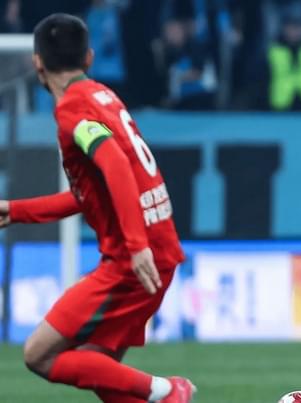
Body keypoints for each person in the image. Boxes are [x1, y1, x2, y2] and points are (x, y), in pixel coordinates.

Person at [0, 13, 196, 403]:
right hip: (157, 249)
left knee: (39, 355)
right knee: (101, 371)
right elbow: (91, 193)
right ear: (88, 58)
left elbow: (115, 163)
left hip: (132, 260)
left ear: (37, 62)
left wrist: (136, 245)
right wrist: (17, 210)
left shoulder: (73, 109)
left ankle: (168, 391)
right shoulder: (103, 96)